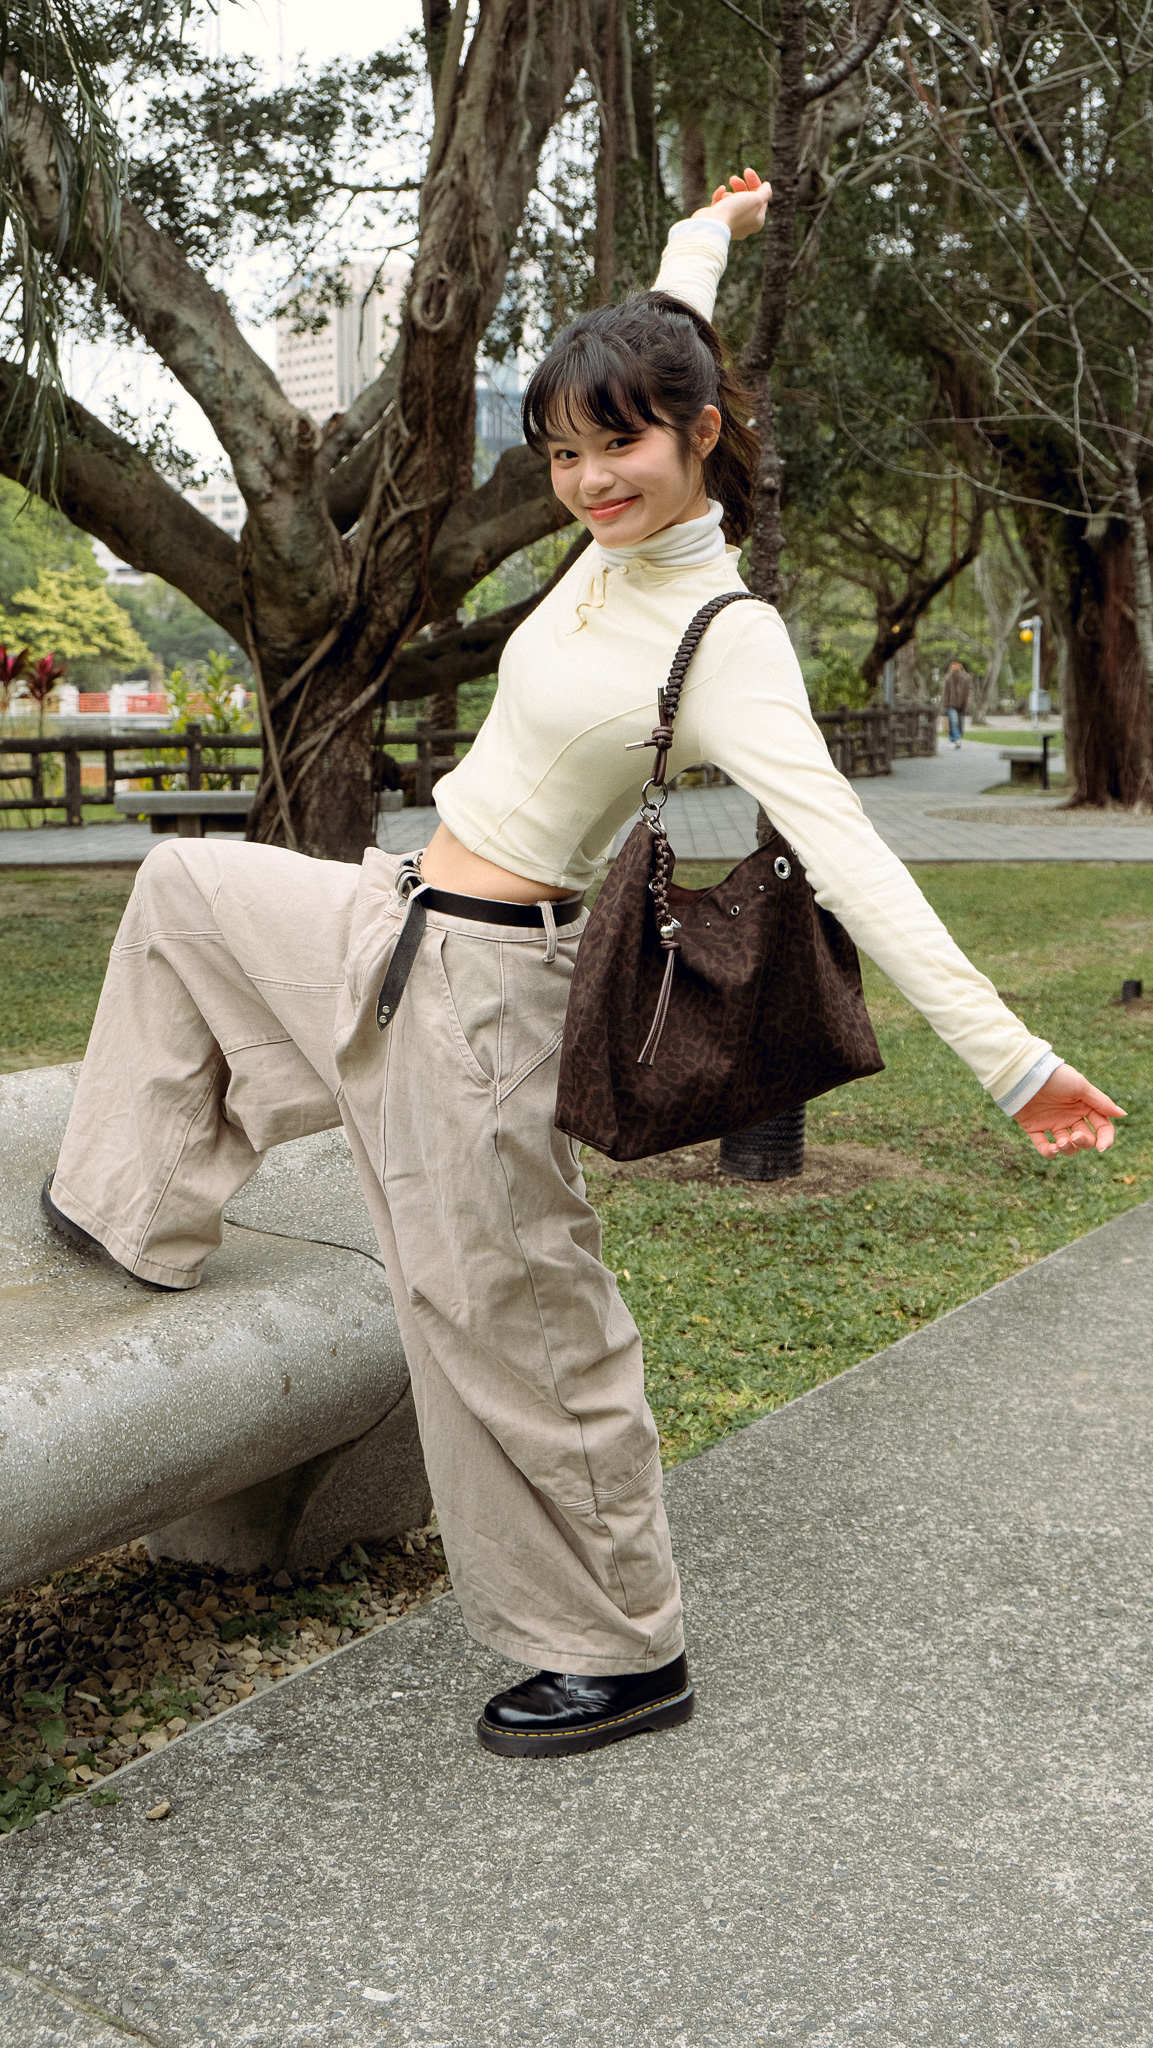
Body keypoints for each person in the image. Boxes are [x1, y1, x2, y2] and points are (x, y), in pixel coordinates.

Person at [40, 171, 1124, 1761]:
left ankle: (622, 1653)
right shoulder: (610, 548)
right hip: (395, 915)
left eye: (617, 446)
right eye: (560, 453)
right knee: (187, 885)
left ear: (699, 435)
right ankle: (137, 1209)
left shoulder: (725, 637)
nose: (587, 480)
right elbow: (669, 324)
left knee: (522, 1327)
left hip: (487, 998)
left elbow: (850, 856)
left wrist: (1015, 1064)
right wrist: (710, 235)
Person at [943, 658, 973, 747]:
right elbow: (945, 693)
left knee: (960, 723)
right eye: (953, 665)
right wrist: (944, 706)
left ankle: (956, 737)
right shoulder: (948, 678)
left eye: (956, 664)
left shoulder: (967, 677)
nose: (954, 666)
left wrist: (968, 703)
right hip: (951, 704)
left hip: (962, 704)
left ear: (960, 666)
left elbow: (970, 691)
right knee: (954, 721)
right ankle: (957, 738)